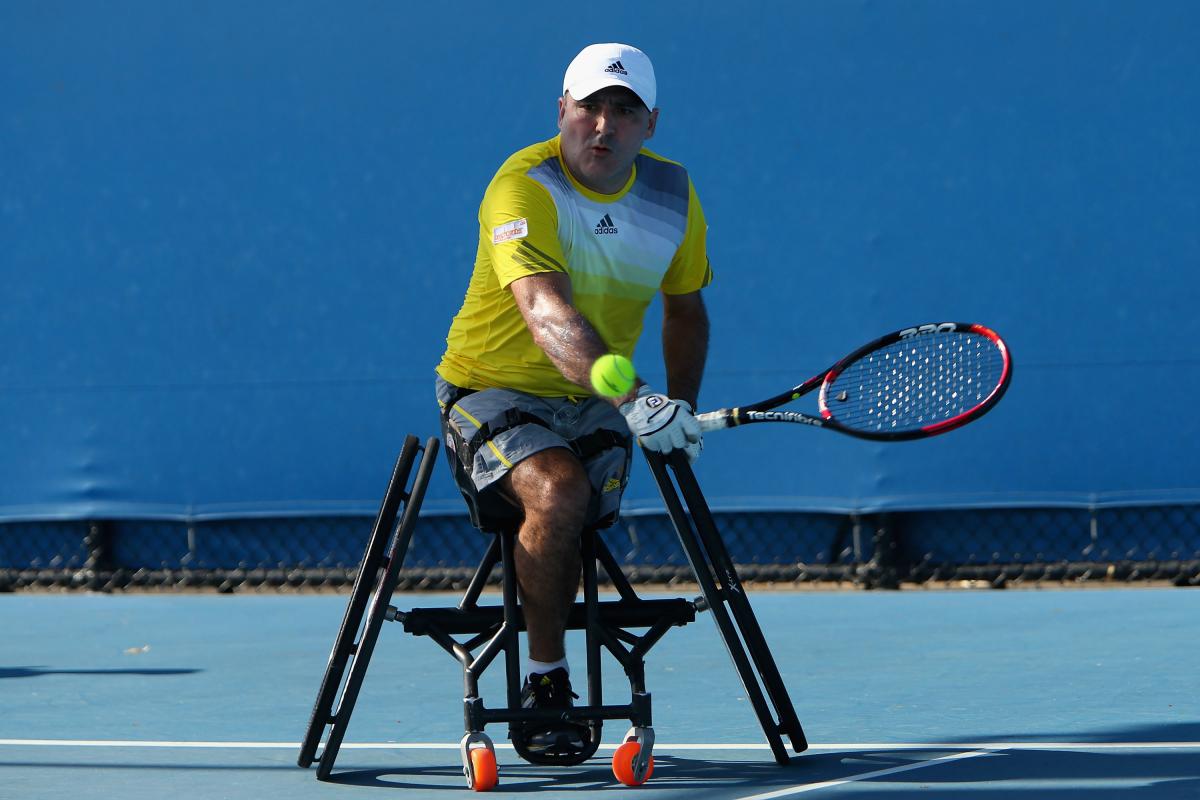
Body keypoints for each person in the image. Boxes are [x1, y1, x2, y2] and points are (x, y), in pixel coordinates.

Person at [434, 42, 711, 761]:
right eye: (589, 106)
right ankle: (546, 680)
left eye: (624, 111)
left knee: (580, 497)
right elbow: (546, 312)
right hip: (489, 390)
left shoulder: (672, 193)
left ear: (651, 125)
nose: (603, 125)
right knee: (558, 492)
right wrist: (639, 398)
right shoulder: (522, 185)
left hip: (595, 406)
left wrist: (678, 409)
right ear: (562, 109)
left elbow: (686, 312)